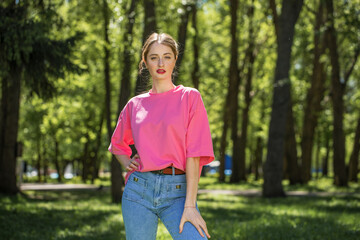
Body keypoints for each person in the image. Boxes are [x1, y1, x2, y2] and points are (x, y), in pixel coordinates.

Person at [108, 32, 214, 240]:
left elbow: (194, 153)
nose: (160, 63)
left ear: (175, 59)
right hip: (138, 191)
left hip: (178, 192)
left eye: (167, 56)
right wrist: (127, 163)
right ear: (145, 62)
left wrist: (190, 205)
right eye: (154, 57)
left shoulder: (189, 97)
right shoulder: (134, 105)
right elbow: (117, 144)